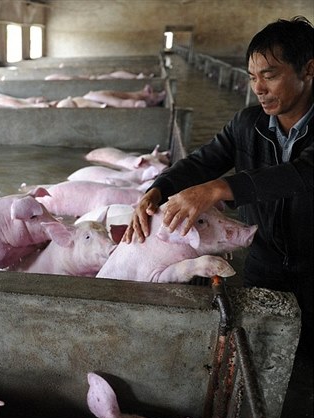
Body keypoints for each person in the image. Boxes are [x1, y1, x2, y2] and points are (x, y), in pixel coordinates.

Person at [123, 16, 314, 345]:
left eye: (270, 76)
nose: (258, 88)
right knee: (261, 350)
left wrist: (219, 188)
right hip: (262, 261)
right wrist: (157, 190)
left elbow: (303, 174)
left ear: (308, 70)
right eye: (253, 77)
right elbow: (202, 162)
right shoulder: (247, 124)